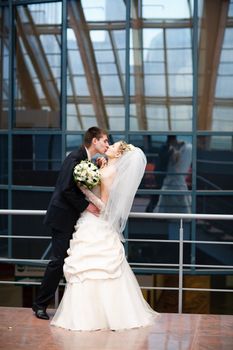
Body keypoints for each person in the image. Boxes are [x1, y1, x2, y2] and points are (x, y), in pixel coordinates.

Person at [50, 141, 159, 331]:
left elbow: (105, 206)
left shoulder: (110, 173)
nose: (109, 146)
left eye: (113, 146)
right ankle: (86, 315)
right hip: (89, 221)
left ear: (119, 154)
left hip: (96, 222)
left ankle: (100, 317)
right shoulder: (105, 166)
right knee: (87, 268)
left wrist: (84, 191)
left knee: (94, 267)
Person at [32, 127, 109, 320]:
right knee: (58, 261)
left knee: (68, 262)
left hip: (71, 218)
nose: (107, 145)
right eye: (105, 141)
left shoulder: (85, 160)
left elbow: (80, 186)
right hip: (62, 217)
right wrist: (87, 207)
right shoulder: (74, 158)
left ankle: (75, 307)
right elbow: (66, 189)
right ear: (94, 141)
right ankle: (39, 305)